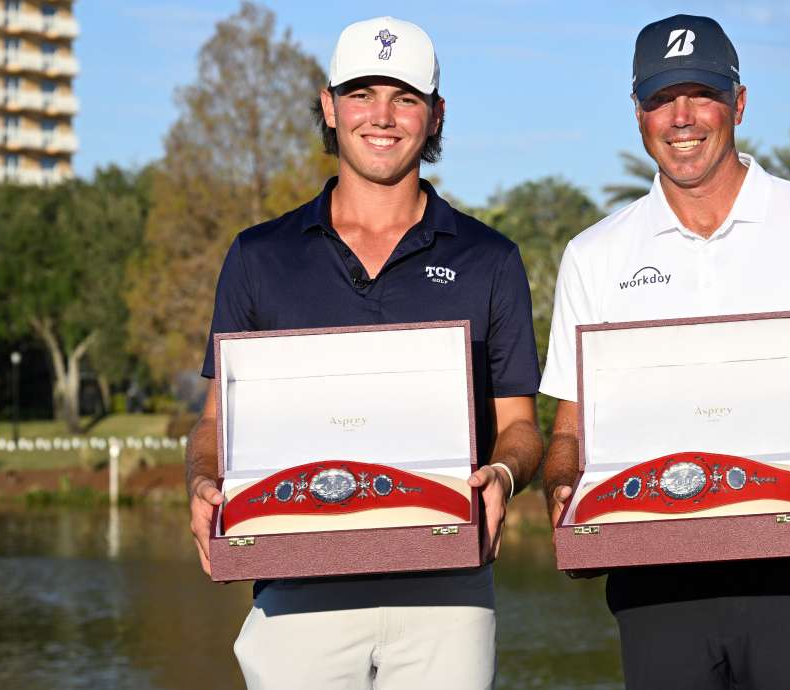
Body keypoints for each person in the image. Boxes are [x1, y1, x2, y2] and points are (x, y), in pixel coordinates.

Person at [540, 15, 790, 689]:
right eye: (661, 98)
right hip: (655, 581)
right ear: (637, 113)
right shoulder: (594, 256)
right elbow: (568, 432)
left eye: (701, 94)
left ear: (739, 102)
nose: (681, 117)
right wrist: (565, 495)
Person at [184, 17, 542, 689]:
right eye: (361, 93)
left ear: (435, 116)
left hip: (448, 589)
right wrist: (202, 481)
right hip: (295, 578)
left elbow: (521, 425)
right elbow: (213, 425)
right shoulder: (260, 255)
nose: (382, 116)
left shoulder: (490, 259)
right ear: (329, 106)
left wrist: (504, 476)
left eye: (405, 98)